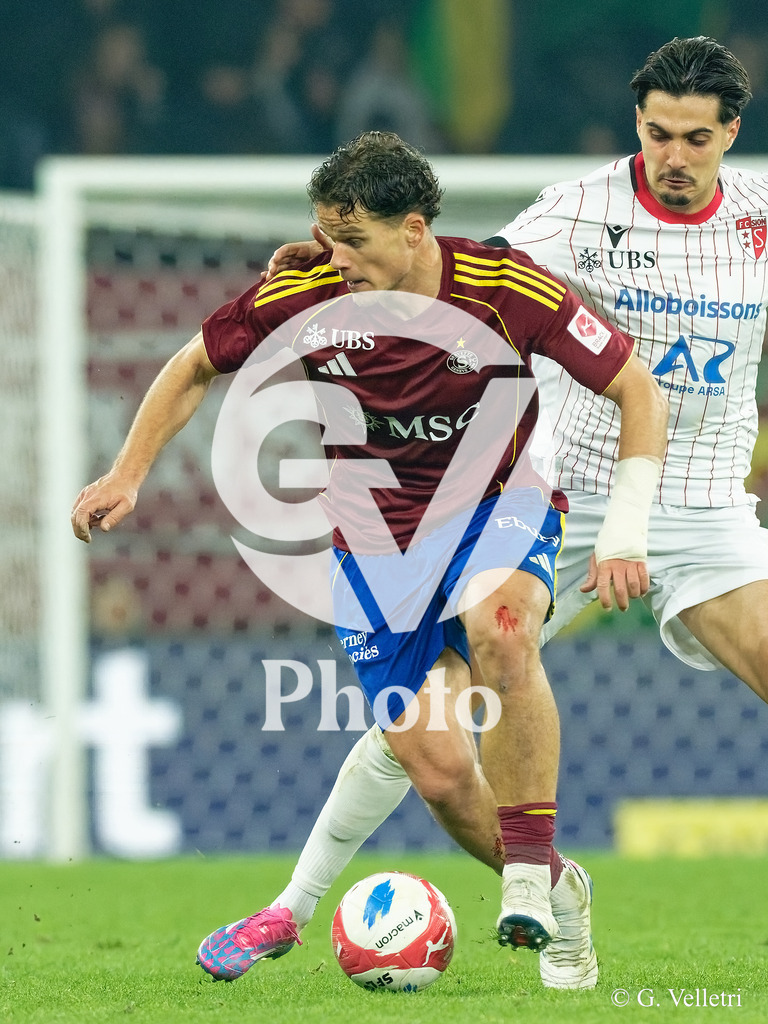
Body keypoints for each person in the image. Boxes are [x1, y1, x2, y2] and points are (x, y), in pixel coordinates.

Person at [70, 131, 667, 988]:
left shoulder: (503, 290)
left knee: (500, 629)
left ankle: (526, 878)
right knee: (439, 772)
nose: (333, 255)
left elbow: (636, 388)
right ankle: (561, 886)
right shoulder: (308, 291)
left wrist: (626, 530)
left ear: (414, 229)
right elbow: (193, 364)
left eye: (351, 239)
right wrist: (127, 473)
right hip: (374, 548)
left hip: (497, 510)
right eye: (325, 235)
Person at [248, 35, 768, 989]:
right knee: (425, 727)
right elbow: (446, 267)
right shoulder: (575, 211)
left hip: (704, 507)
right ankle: (323, 898)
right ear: (638, 123)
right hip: (566, 493)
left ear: (731, 132)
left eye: (696, 138)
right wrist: (334, 261)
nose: (674, 155)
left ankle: (302, 901)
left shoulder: (762, 220)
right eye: (658, 133)